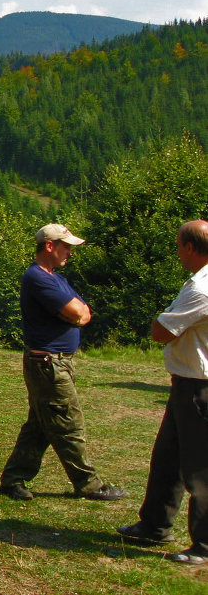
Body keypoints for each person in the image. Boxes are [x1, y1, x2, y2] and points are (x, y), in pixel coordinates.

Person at [0, 224, 125, 501]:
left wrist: (78, 313)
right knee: (68, 422)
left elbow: (82, 311)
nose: (69, 252)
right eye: (66, 246)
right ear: (49, 246)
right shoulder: (38, 278)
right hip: (48, 363)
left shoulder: (55, 277)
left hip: (54, 363)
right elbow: (76, 312)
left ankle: (13, 478)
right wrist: (77, 314)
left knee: (42, 423)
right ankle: (89, 484)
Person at [118, 219, 208, 564]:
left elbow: (161, 331)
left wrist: (163, 320)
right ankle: (155, 524)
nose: (177, 251)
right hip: (188, 383)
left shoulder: (201, 288)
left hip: (200, 386)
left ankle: (204, 546)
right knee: (168, 458)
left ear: (188, 247)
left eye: (178, 245)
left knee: (200, 467)